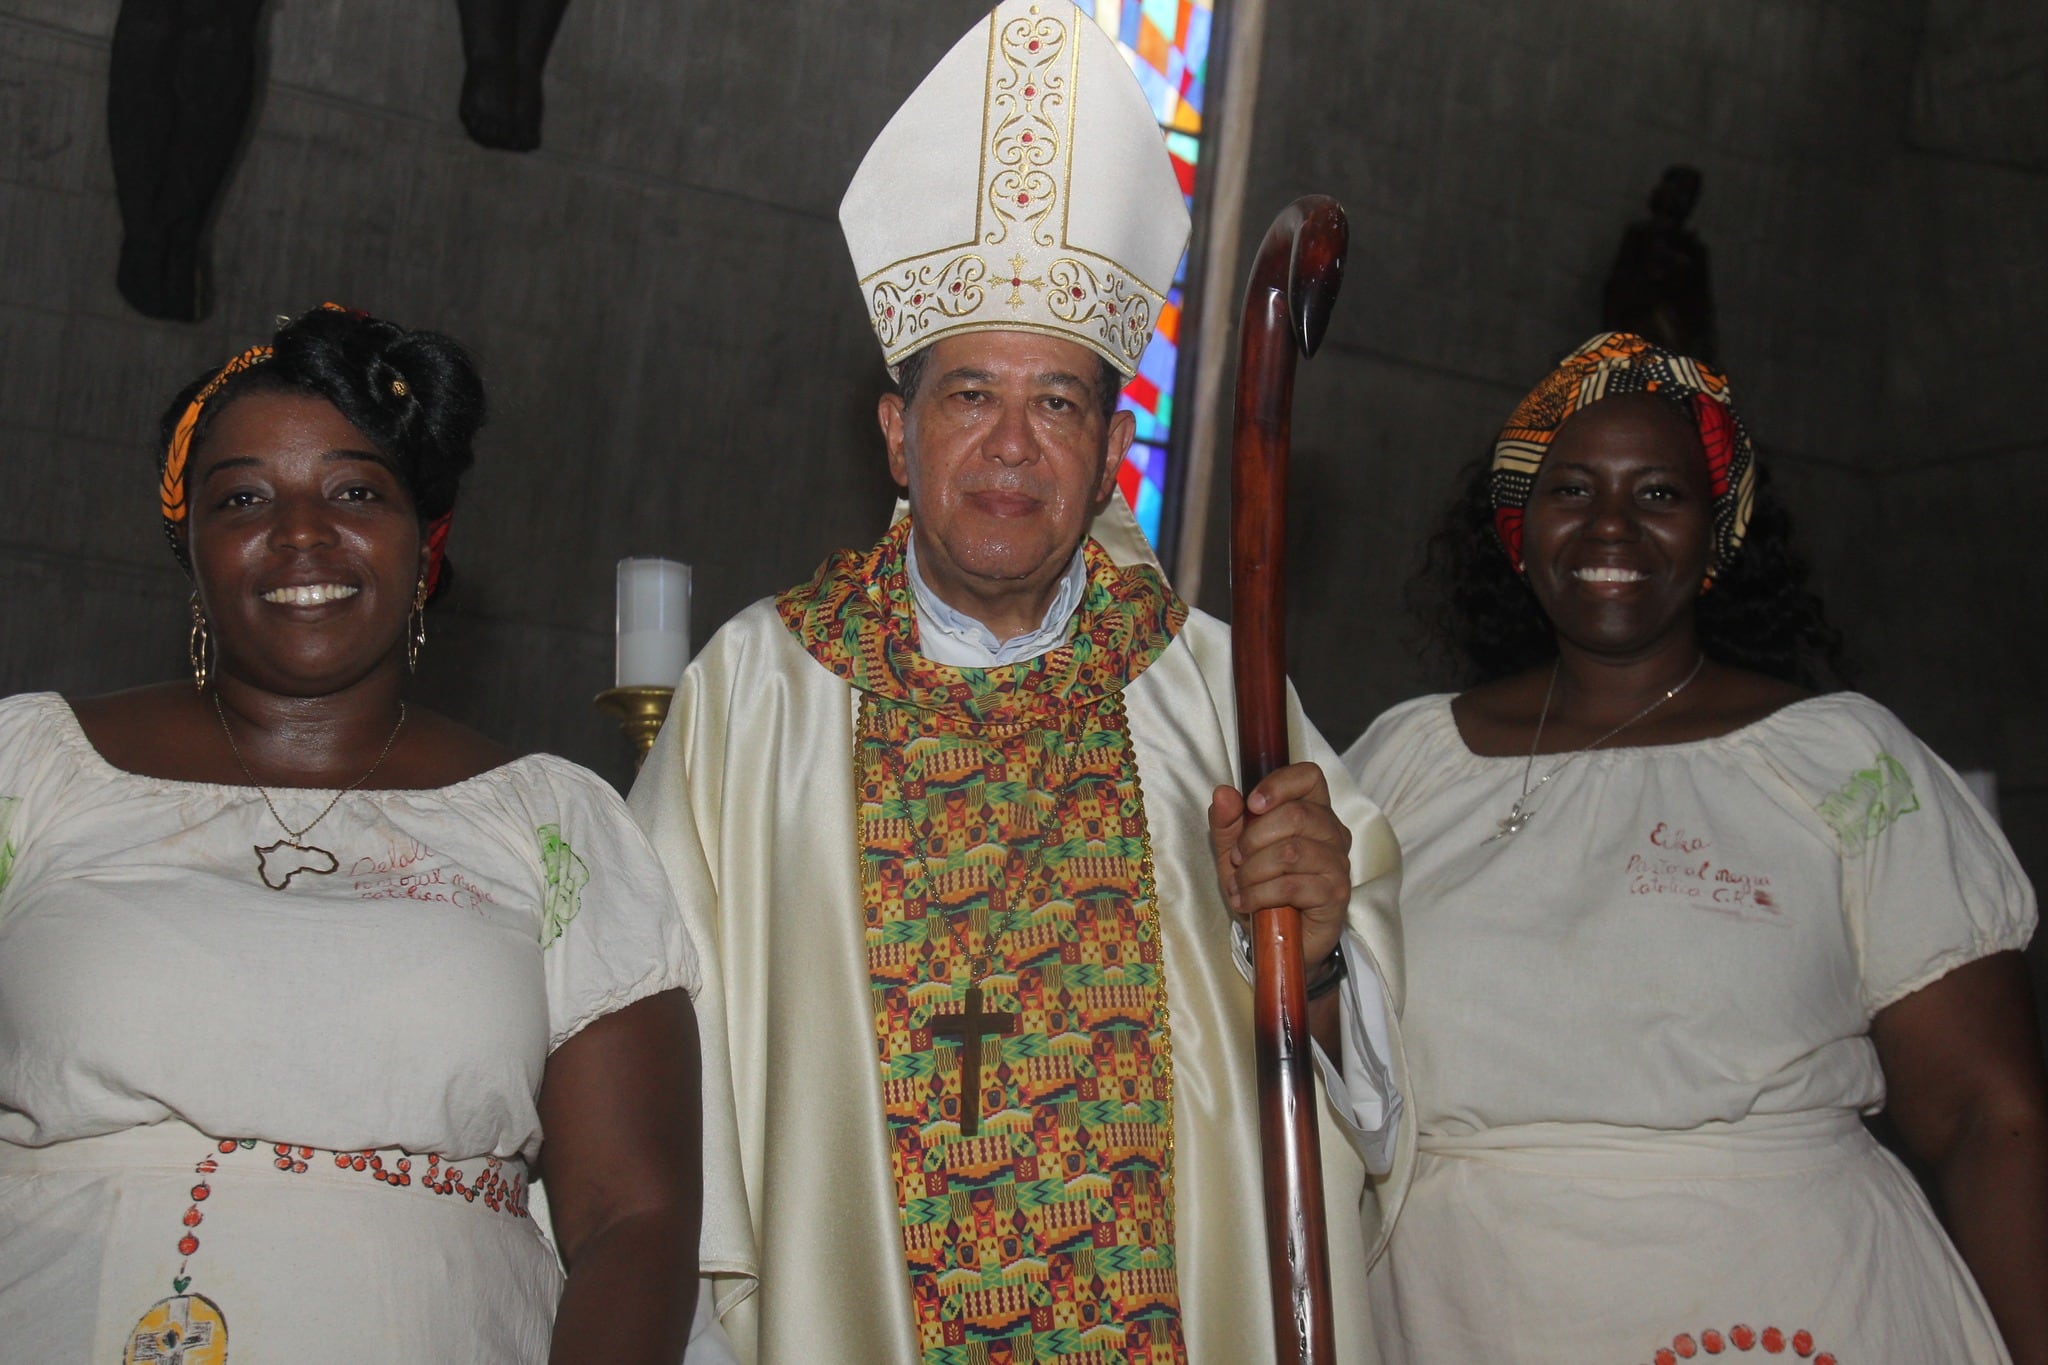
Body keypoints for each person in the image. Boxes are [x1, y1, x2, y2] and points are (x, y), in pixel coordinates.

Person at [631, 4, 1411, 1361]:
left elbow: (1352, 1081)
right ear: (897, 435)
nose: (1009, 445)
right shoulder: (760, 694)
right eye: (968, 396)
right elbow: (662, 1069)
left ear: (1107, 455)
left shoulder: (1212, 691)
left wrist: (1322, 942)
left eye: (1056, 403)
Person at [0, 304, 726, 1363]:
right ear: (190, 548)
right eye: (243, 497)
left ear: (423, 543)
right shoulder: (28, 770)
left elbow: (634, 1219)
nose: (301, 532)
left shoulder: (552, 824)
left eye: (354, 492)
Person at [1347, 331, 2048, 1363]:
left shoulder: (1843, 763)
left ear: (1717, 531)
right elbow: (1306, 1045)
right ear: (1517, 526)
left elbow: (1989, 1114)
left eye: (1660, 494)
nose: (1612, 524)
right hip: (1465, 1310)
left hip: (1796, 1304)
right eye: (1571, 489)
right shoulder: (1405, 762)